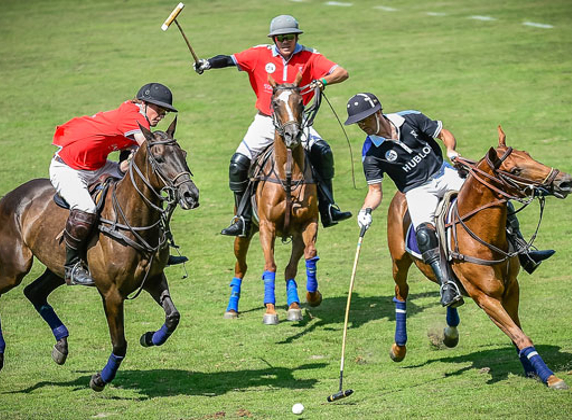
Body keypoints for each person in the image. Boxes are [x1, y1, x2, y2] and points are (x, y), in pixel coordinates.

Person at [344, 92, 555, 307]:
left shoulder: (409, 118)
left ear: (378, 112)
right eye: (358, 123)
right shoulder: (371, 152)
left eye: (365, 119)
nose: (362, 125)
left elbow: (443, 133)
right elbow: (375, 191)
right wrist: (366, 210)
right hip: (417, 190)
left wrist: (451, 151)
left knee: (496, 197)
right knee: (424, 233)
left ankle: (524, 252)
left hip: (443, 173)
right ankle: (447, 285)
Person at [192, 14, 352, 237]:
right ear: (273, 40)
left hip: (297, 122)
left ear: (296, 37)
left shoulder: (310, 56)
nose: (285, 41)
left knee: (323, 152)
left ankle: (328, 208)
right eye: (280, 38)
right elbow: (230, 59)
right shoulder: (259, 54)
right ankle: (242, 218)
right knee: (238, 163)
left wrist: (321, 81)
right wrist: (207, 63)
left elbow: (341, 72)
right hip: (266, 121)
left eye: (289, 37)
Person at [49, 83, 186, 286]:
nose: (160, 115)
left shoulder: (136, 117)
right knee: (86, 209)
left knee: (142, 192)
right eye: (159, 109)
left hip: (98, 166)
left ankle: (158, 247)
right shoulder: (134, 117)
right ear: (144, 103)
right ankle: (71, 267)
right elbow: (148, 150)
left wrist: (125, 164)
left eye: (164, 113)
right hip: (68, 168)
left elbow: (130, 150)